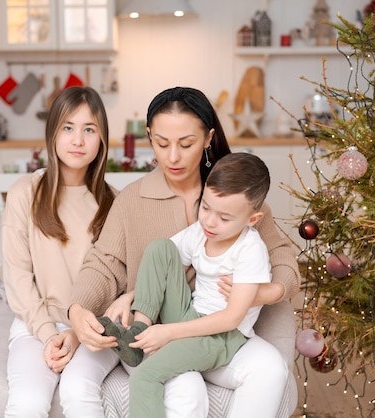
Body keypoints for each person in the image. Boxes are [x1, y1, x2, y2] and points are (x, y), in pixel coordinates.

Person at [61, 86, 300, 418]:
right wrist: (78, 309)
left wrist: (268, 292)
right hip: (160, 329)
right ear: (149, 137)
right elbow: (104, 263)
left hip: (217, 329)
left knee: (271, 369)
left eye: (186, 144)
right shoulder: (132, 200)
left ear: (207, 139)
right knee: (183, 390)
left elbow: (283, 255)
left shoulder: (233, 197)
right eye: (161, 143)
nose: (172, 157)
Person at [99, 152, 273, 418]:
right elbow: (162, 265)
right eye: (205, 207)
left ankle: (146, 344)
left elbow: (231, 318)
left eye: (225, 218)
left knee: (145, 376)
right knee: (160, 248)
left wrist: (169, 332)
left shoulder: (250, 251)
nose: (210, 221)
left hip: (220, 337)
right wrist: (130, 298)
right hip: (191, 313)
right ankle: (139, 328)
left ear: (252, 219)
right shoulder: (200, 232)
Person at [1, 86, 116, 417]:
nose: (78, 140)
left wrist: (78, 335)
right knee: (27, 404)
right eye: (68, 128)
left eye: (89, 129)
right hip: (35, 326)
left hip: (95, 330)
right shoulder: (25, 193)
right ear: (52, 133)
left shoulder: (114, 202)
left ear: (102, 140)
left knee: (78, 395)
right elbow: (17, 275)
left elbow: (116, 285)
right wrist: (50, 335)